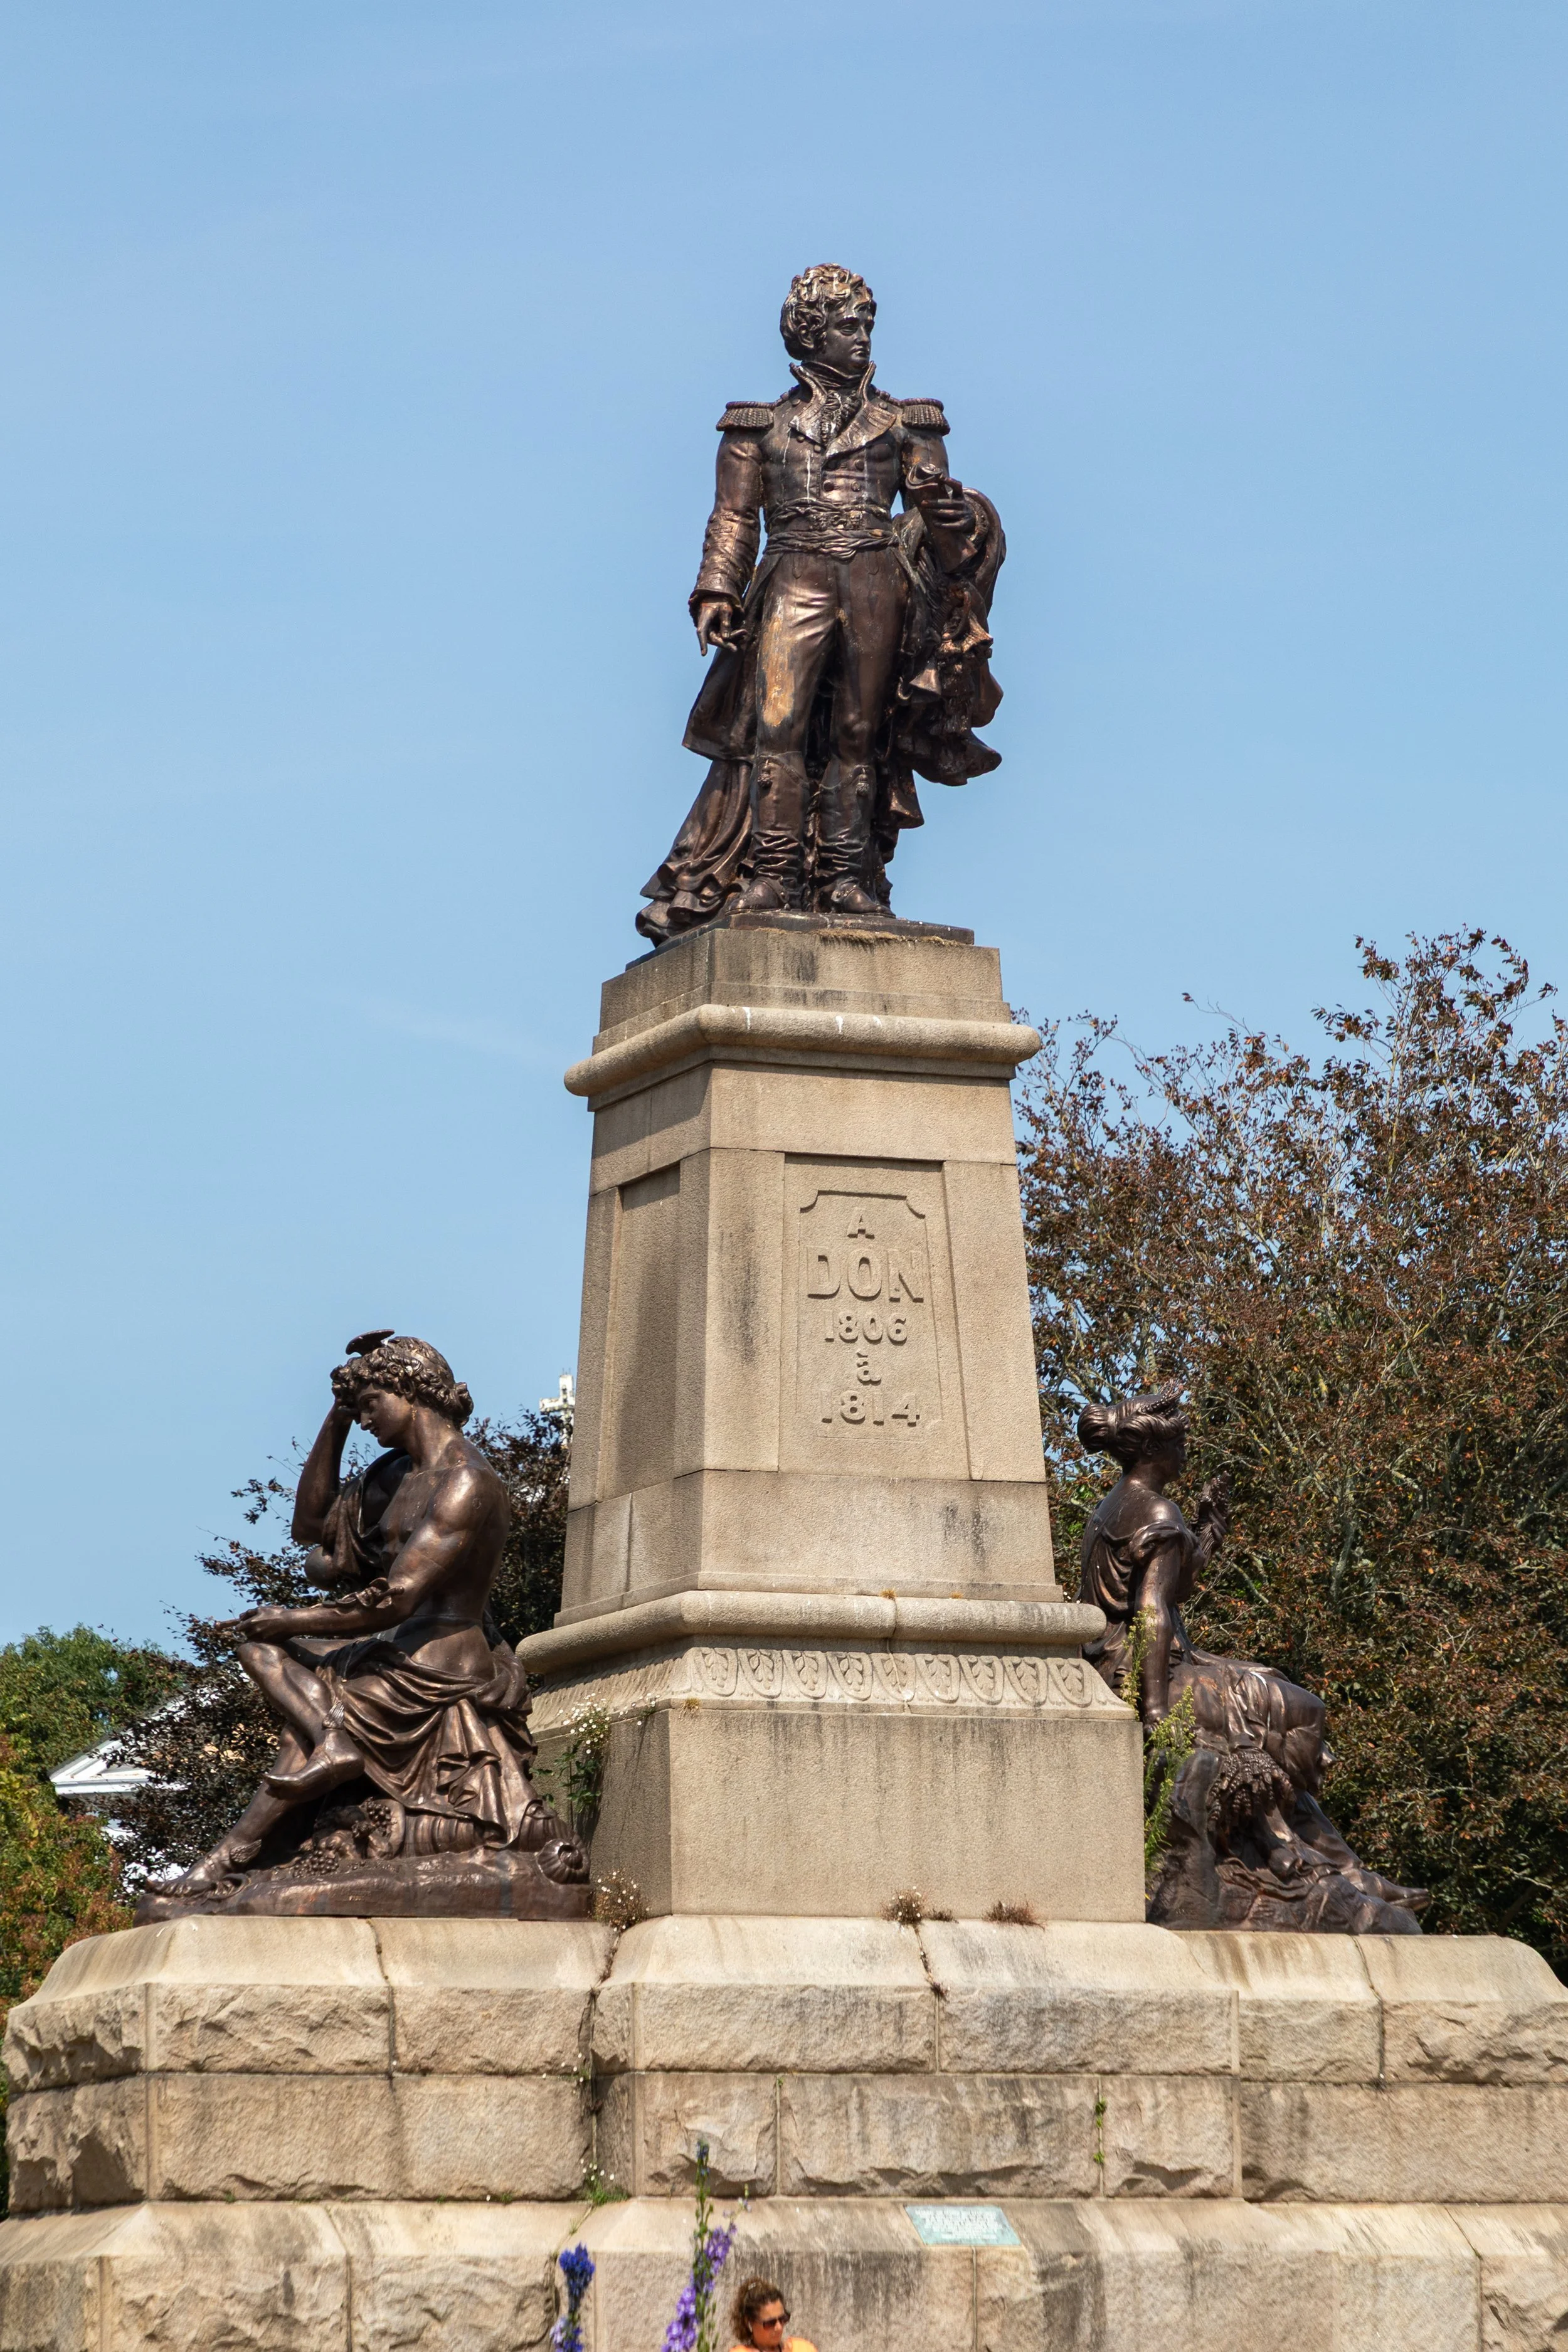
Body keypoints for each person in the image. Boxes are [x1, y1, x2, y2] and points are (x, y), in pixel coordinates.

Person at [636, 263, 1005, 941]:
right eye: (847, 325)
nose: (862, 336)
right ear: (810, 332)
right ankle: (775, 875)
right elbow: (733, 517)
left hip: (874, 578)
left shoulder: (908, 423)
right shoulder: (757, 427)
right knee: (778, 726)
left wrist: (956, 521)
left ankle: (846, 879)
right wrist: (717, 588)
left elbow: (944, 531)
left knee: (859, 732)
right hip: (792, 575)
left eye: (866, 324)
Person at [156, 1331, 565, 1900]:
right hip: (393, 1648)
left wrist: (292, 1618)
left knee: (301, 1711)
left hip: (438, 1660)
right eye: (359, 1409)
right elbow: (310, 1525)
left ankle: (227, 1857)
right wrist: (337, 1419)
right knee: (258, 1647)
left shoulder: (466, 1480)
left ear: (411, 1392)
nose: (366, 1419)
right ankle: (334, 1742)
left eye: (371, 1404)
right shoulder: (398, 1475)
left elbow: (398, 1596)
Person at [1077, 1381, 1427, 1931]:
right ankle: (1307, 1860)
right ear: (1152, 1449)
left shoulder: (1116, 1505)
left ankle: (1341, 1869)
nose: (1186, 1451)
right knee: (1300, 1710)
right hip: (1145, 1671)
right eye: (1179, 1442)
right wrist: (1155, 1712)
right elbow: (1151, 1611)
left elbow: (1170, 1589)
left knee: (1267, 1688)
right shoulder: (1158, 1510)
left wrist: (1207, 1534)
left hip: (1125, 1662)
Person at [729, 2277, 817, 2352]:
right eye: (770, 2323)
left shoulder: (803, 2349)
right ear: (750, 2322)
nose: (779, 2328)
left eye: (783, 2319)